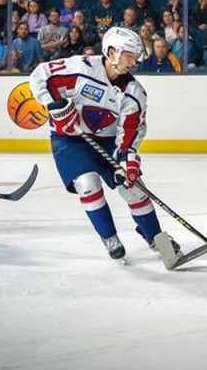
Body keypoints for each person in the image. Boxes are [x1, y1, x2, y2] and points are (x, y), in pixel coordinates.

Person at [28, 26, 180, 260]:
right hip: (71, 140)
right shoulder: (80, 68)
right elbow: (40, 76)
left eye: (136, 57)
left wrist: (127, 160)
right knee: (87, 183)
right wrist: (55, 106)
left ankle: (155, 236)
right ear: (111, 52)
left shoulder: (134, 93)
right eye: (129, 55)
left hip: (108, 143)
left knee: (133, 187)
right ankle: (109, 237)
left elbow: (129, 132)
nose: (134, 62)